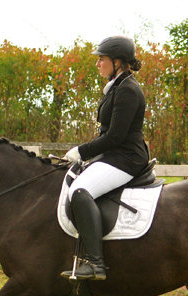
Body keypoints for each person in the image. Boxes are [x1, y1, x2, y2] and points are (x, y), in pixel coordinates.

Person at [61, 35, 149, 281]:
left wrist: (82, 151)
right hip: (113, 155)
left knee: (79, 191)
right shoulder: (118, 86)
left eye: (101, 59)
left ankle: (95, 264)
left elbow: (114, 137)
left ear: (117, 61)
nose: (98, 64)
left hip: (126, 158)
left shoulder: (128, 90)